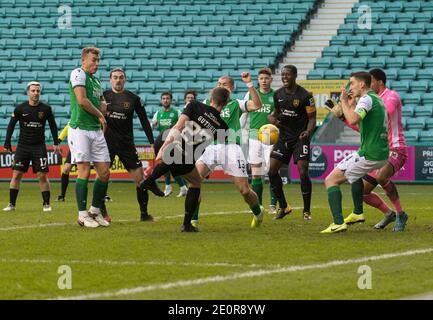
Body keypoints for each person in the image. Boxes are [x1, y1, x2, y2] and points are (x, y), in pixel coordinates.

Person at [330, 69, 408, 231]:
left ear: (379, 82)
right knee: (362, 192)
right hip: (376, 150)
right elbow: (364, 127)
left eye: (371, 81)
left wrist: (350, 106)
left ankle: (401, 214)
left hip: (395, 147)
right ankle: (389, 213)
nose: (368, 85)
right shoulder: (371, 100)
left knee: (381, 176)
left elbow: (384, 115)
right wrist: (343, 116)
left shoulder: (390, 96)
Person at [189, 72, 264, 228]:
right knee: (194, 181)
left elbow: (257, 105)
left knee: (244, 190)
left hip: (231, 147)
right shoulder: (207, 103)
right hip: (210, 147)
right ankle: (193, 221)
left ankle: (258, 211)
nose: (220, 86)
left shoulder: (236, 104)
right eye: (218, 83)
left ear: (232, 87)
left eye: (224, 84)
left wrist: (250, 84)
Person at [322, 71, 389, 234]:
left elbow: (352, 120)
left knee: (330, 180)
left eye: (352, 83)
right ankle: (358, 212)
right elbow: (361, 125)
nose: (350, 86)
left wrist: (344, 101)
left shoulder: (366, 99)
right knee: (355, 176)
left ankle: (338, 222)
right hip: (380, 153)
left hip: (370, 153)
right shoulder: (376, 99)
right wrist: (349, 106)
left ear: (362, 84)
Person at [102, 67, 156, 222]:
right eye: (115, 77)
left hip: (126, 144)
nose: (118, 80)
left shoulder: (133, 98)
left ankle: (144, 214)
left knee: (140, 179)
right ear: (110, 80)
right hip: (107, 143)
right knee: (103, 176)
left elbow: (144, 121)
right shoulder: (103, 96)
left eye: (121, 77)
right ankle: (101, 210)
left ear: (124, 79)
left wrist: (152, 141)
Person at [68, 47, 110, 228]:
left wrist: (103, 106)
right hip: (80, 129)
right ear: (84, 60)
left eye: (98, 60)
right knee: (84, 169)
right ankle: (82, 215)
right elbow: (82, 100)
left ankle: (94, 211)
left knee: (105, 172)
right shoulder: (78, 73)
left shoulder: (96, 80)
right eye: (93, 60)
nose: (96, 63)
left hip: (95, 130)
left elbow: (99, 100)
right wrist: (101, 116)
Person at [267, 65, 316, 221]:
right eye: (282, 75)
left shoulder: (305, 95)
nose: (284, 77)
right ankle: (284, 206)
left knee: (303, 171)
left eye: (288, 75)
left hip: (300, 138)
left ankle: (306, 210)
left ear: (295, 76)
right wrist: (273, 119)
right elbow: (274, 114)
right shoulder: (278, 94)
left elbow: (312, 118)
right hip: (283, 138)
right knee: (272, 171)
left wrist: (308, 132)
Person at [3, 81, 60, 212]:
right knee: (16, 174)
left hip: (39, 146)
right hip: (23, 146)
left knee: (42, 175)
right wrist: (7, 143)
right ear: (28, 92)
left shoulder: (45, 109)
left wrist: (56, 142)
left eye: (38, 91)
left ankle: (46, 204)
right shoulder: (20, 108)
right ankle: (11, 204)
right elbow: (11, 125)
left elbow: (52, 125)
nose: (36, 93)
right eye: (33, 91)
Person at [241, 68, 277, 214]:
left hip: (271, 137)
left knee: (272, 171)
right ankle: (259, 205)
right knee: (256, 173)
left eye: (266, 78)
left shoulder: (275, 96)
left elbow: (279, 115)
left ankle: (273, 205)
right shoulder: (251, 93)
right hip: (254, 136)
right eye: (261, 78)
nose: (264, 81)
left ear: (271, 79)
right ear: (258, 80)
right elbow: (243, 114)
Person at [151, 91, 188, 197]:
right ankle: (170, 187)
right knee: (164, 165)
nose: (165, 100)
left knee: (171, 166)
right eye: (163, 98)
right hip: (162, 142)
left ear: (171, 100)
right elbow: (153, 125)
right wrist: (152, 125)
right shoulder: (158, 113)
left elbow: (184, 125)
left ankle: (181, 187)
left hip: (175, 142)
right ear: (161, 100)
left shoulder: (177, 112)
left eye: (167, 98)